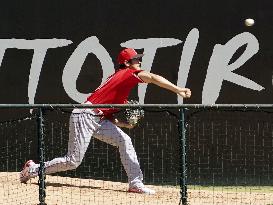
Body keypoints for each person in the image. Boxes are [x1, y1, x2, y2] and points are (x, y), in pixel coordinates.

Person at [20, 48, 191, 194]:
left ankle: (135, 183)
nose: (139, 62)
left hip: (97, 118)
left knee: (125, 141)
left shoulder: (119, 84)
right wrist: (178, 90)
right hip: (85, 116)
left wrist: (124, 124)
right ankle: (33, 168)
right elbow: (152, 77)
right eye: (135, 59)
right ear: (126, 63)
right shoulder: (126, 73)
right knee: (73, 161)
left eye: (139, 59)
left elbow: (109, 115)